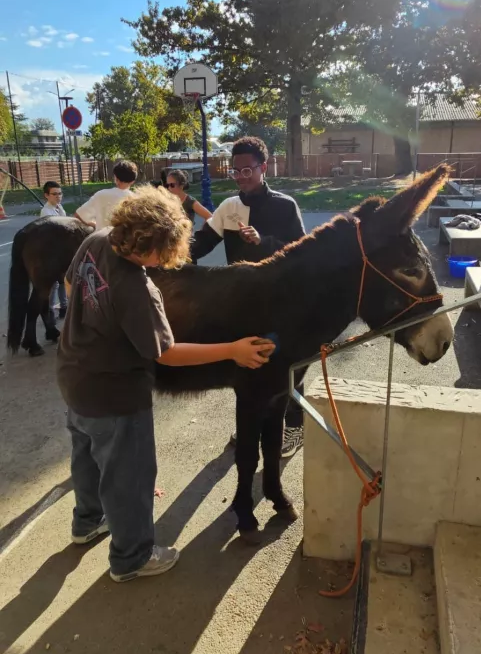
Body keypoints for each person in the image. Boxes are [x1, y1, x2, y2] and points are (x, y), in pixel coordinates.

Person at [57, 185, 274, 583]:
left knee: (86, 457)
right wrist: (232, 349)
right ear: (154, 245)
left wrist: (98, 321)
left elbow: (72, 287)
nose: (167, 260)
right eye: (167, 251)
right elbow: (166, 353)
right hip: (116, 395)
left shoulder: (97, 239)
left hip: (74, 375)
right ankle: (132, 557)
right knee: (129, 476)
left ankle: (86, 522)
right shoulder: (138, 288)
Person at [191, 136, 306, 458]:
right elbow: (200, 243)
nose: (241, 176)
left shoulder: (285, 206)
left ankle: (295, 425)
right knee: (247, 364)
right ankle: (250, 423)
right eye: (236, 171)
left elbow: (301, 251)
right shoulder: (229, 208)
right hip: (243, 304)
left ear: (264, 168)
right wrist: (169, 256)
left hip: (282, 301)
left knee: (286, 366)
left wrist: (264, 241)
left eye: (247, 170)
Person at [74, 159, 137, 230]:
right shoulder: (136, 200)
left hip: (101, 238)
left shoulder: (101, 194)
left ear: (115, 177)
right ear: (132, 181)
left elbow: (79, 214)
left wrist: (95, 225)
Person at [40, 180, 68, 319]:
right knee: (54, 284)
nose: (58, 196)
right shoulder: (46, 212)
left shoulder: (59, 207)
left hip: (62, 251)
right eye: (54, 194)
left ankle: (64, 306)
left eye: (60, 193)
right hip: (52, 253)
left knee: (63, 280)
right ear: (47, 195)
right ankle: (50, 310)